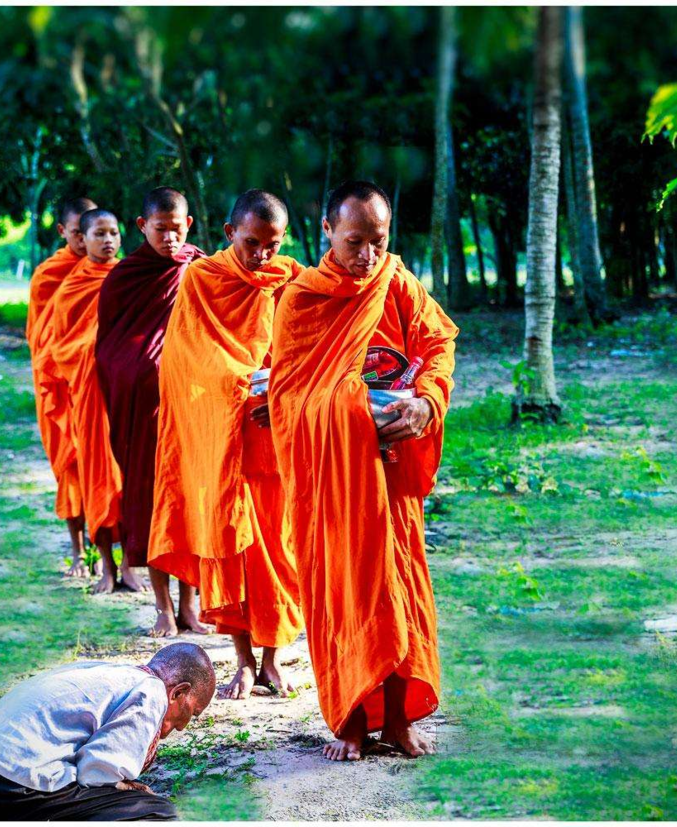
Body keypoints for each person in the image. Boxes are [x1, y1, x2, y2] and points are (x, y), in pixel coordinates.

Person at [268, 181, 458, 761]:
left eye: (379, 241)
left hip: (391, 472)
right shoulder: (302, 298)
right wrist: (355, 409)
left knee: (397, 589)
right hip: (331, 479)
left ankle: (398, 719)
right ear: (327, 230)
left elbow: (438, 342)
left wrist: (424, 402)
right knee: (343, 590)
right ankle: (350, 719)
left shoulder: (395, 282)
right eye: (355, 241)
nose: (368, 255)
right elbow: (289, 395)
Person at [149, 190, 304, 699]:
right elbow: (185, 360)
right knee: (231, 552)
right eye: (251, 242)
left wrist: (277, 385)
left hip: (272, 433)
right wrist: (241, 384)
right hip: (220, 436)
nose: (262, 255)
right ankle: (241, 660)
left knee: (276, 550)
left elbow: (307, 350)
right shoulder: (202, 280)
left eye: (272, 244)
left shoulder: (291, 280)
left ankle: (272, 660)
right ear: (227, 233)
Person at [95, 187, 210, 634]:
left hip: (193, 407)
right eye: (160, 229)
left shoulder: (201, 269)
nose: (170, 237)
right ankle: (162, 606)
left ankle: (190, 606)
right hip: (144, 413)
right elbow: (108, 349)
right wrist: (142, 373)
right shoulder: (125, 277)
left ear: (189, 225)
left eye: (177, 228)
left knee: (191, 504)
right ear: (142, 227)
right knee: (151, 503)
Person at [0, 642, 216, 821]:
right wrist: (123, 788)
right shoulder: (151, 690)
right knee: (157, 812)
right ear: (178, 692)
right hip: (0, 784)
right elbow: (96, 774)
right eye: (191, 713)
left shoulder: (106, 672)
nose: (182, 726)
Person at [51, 209, 125, 594]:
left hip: (125, 392)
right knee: (98, 476)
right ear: (83, 236)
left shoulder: (130, 277)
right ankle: (106, 567)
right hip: (90, 394)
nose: (108, 240)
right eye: (99, 233)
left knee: (129, 478)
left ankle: (129, 564)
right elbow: (59, 346)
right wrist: (95, 351)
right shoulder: (70, 287)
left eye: (114, 232)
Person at [28, 197, 95, 577]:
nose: (87, 243)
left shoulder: (108, 271)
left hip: (94, 385)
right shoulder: (49, 275)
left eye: (93, 234)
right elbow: (40, 337)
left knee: (102, 464)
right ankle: (77, 550)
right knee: (70, 466)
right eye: (77, 235)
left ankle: (106, 552)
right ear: (63, 232)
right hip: (57, 384)